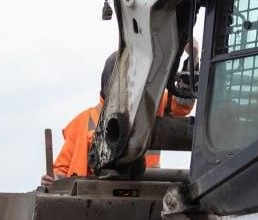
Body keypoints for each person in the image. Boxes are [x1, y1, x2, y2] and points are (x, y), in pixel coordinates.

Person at [41, 47, 195, 187]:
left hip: (144, 192)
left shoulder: (150, 106)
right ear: (108, 83)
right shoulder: (82, 122)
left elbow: (182, 103)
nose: (126, 89)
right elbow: (61, 170)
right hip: (91, 198)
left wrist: (193, 59)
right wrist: (52, 180)